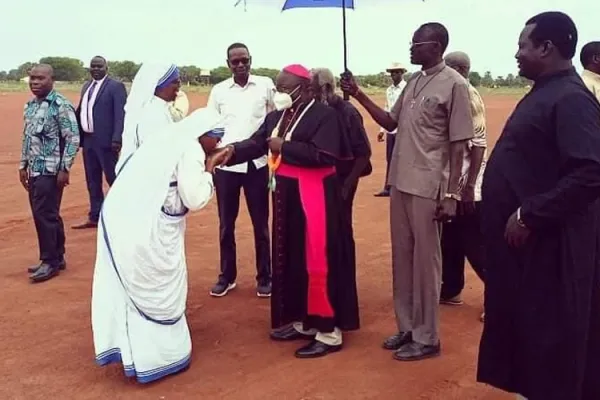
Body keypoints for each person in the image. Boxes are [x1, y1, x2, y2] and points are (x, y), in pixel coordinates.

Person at [477, 12, 600, 400]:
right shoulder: (547, 91)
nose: (517, 54)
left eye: (523, 45)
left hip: (553, 247)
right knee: (529, 331)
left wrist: (531, 213)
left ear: (546, 48)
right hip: (529, 250)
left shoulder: (571, 98)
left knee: (552, 337)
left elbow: (591, 171)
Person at [340, 22, 474, 361]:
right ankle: (408, 327)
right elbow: (389, 122)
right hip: (400, 181)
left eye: (417, 43)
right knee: (403, 258)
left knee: (426, 262)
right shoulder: (413, 81)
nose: (411, 48)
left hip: (430, 185)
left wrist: (453, 193)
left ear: (437, 46)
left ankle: (428, 337)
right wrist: (357, 93)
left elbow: (460, 145)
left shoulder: (455, 85)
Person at [210, 64, 359, 359]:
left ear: (304, 88)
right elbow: (258, 141)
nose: (278, 92)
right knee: (293, 258)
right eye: (277, 87)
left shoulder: (325, 115)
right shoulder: (278, 116)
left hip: (315, 197)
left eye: (283, 87)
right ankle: (304, 321)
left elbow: (323, 155)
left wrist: (285, 147)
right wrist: (231, 152)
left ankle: (328, 331)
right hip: (286, 197)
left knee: (318, 260)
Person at [91, 108, 225, 384]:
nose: (219, 145)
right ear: (205, 136)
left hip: (135, 224)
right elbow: (195, 197)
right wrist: (210, 169)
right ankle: (160, 357)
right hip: (156, 233)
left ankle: (134, 354)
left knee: (136, 289)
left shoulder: (169, 138)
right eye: (216, 139)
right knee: (159, 290)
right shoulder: (191, 150)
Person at [206, 43, 274, 298]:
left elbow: (274, 120)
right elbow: (211, 125)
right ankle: (227, 276)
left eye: (244, 60)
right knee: (226, 224)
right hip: (226, 167)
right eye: (235, 62)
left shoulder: (266, 85)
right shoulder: (219, 91)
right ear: (228, 64)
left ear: (251, 60)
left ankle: (265, 277)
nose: (240, 65)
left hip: (257, 165)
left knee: (261, 225)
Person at [311, 67, 371, 304]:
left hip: (343, 181)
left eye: (313, 89)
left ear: (325, 88)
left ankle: (343, 288)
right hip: (322, 181)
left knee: (341, 233)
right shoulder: (317, 110)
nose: (310, 94)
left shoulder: (347, 112)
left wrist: (348, 185)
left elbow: (363, 154)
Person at [19, 64, 80, 283]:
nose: (35, 83)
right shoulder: (31, 106)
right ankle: (57, 256)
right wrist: (22, 165)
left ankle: (49, 261)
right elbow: (27, 138)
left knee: (45, 214)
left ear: (51, 80)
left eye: (40, 79)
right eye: (32, 79)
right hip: (34, 169)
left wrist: (65, 168)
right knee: (44, 213)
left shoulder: (60, 105)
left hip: (51, 170)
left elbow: (73, 138)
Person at [439, 51, 487, 322]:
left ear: (458, 69)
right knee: (451, 240)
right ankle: (451, 289)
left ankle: (498, 297)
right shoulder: (455, 93)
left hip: (468, 185)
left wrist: (468, 187)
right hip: (450, 183)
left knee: (475, 244)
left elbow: (478, 144)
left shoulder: (467, 96)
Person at [72, 56, 127, 230]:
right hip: (88, 140)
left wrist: (117, 138)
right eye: (93, 66)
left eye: (99, 66)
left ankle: (125, 213)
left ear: (106, 68)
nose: (95, 69)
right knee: (92, 180)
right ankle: (95, 216)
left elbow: (120, 115)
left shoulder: (115, 87)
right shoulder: (86, 86)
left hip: (107, 142)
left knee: (113, 178)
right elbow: (82, 110)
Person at [115, 62, 182, 174]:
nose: (179, 85)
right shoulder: (153, 114)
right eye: (175, 82)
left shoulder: (157, 108)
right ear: (160, 85)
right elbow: (157, 158)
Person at [375, 62, 407, 197]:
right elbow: (387, 110)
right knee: (390, 158)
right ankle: (388, 187)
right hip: (391, 130)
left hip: (403, 130)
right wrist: (382, 129)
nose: (393, 75)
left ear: (402, 73)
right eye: (392, 73)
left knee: (404, 159)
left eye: (396, 72)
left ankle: (402, 188)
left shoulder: (407, 88)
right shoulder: (389, 90)